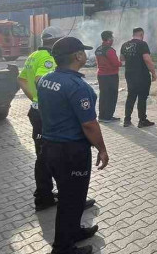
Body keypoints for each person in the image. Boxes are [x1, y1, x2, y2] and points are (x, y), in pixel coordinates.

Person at [38, 36, 109, 254]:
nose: (85, 54)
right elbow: (89, 124)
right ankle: (63, 248)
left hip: (50, 147)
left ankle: (74, 232)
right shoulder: (78, 87)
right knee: (72, 199)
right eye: (83, 51)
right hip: (71, 151)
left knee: (71, 196)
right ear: (78, 56)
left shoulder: (45, 79)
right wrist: (102, 149)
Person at [17, 26, 64, 211]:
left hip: (36, 111)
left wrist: (34, 99)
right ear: (56, 43)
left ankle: (44, 194)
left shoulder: (33, 56)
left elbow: (21, 79)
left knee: (42, 155)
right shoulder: (48, 58)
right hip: (46, 114)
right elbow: (40, 80)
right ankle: (60, 195)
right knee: (54, 155)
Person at [120, 27, 156, 128]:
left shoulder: (125, 44)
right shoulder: (142, 44)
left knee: (131, 96)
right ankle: (142, 121)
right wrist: (153, 73)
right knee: (142, 98)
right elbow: (147, 60)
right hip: (142, 75)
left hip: (129, 74)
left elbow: (122, 58)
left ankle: (127, 120)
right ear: (141, 34)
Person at [95, 31, 121, 122]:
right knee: (111, 96)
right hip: (111, 76)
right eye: (112, 38)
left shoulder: (98, 49)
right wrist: (122, 62)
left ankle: (101, 116)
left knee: (103, 95)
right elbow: (115, 63)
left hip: (101, 75)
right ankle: (108, 116)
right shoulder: (110, 50)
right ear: (109, 39)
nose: (113, 40)